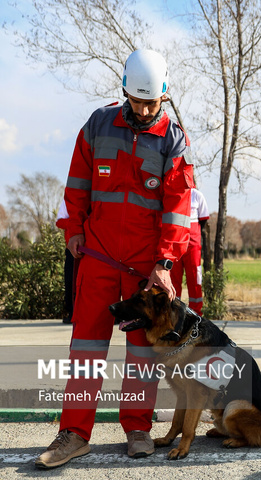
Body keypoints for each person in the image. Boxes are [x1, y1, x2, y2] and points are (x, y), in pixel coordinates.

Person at [36, 49, 193, 469]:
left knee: (142, 351)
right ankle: (73, 433)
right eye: (137, 100)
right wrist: (72, 231)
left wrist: (164, 262)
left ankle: (137, 427)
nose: (143, 110)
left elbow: (178, 207)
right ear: (124, 89)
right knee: (86, 347)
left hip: (146, 267)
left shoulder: (173, 139)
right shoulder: (98, 124)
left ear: (164, 94)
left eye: (152, 102)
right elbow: (77, 184)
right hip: (99, 258)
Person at [170, 187, 210, 315]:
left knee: (195, 279)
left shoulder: (197, 195)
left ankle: (196, 313)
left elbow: (203, 220)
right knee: (173, 279)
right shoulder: (172, 192)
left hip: (193, 245)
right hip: (175, 243)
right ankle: (174, 312)